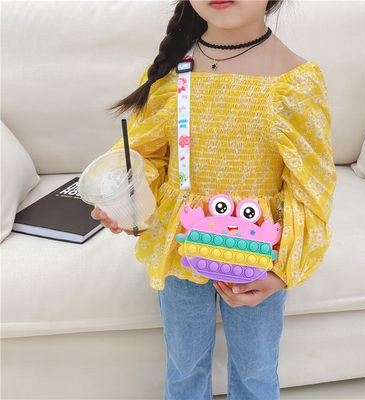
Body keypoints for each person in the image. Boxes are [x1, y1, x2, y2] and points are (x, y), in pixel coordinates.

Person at [91, 1, 337, 398]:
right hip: (179, 248)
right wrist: (128, 193)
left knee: (256, 371)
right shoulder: (172, 74)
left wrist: (283, 270)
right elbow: (147, 154)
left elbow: (311, 187)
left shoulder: (296, 81)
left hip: (258, 254)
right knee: (184, 366)